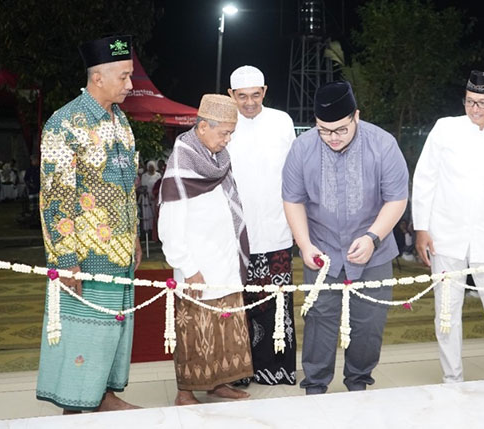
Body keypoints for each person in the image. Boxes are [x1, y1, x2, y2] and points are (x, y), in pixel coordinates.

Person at [36, 35, 142, 413]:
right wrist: (65, 259)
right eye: (125, 77)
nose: (131, 85)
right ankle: (77, 405)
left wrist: (136, 240)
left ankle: (106, 395)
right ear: (98, 77)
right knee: (85, 331)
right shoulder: (65, 123)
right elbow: (54, 197)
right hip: (85, 255)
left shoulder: (121, 120)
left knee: (113, 328)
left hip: (121, 251)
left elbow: (128, 185)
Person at [282, 81, 409, 394]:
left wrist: (372, 238)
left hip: (373, 250)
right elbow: (293, 199)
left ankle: (358, 382)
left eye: (340, 129)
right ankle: (315, 385)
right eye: (324, 130)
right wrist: (305, 243)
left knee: (369, 323)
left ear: (356, 116)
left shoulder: (383, 144)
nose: (332, 138)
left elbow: (397, 198)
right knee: (319, 320)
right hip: (321, 251)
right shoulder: (303, 147)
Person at [412, 70, 484, 383]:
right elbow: (425, 179)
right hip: (445, 235)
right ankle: (452, 377)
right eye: (469, 101)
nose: (475, 109)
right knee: (446, 311)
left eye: (483, 103)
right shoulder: (445, 128)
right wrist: (421, 228)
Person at [158, 94, 253, 405]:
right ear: (201, 127)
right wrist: (188, 268)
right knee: (195, 332)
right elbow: (169, 227)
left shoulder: (217, 160)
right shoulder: (182, 164)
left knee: (226, 329)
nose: (227, 140)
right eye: (223, 133)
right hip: (197, 266)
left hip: (224, 260)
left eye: (231, 134)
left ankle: (219, 384)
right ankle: (185, 392)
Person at [227, 65, 297, 386]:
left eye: (256, 95)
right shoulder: (224, 124)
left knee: (276, 303)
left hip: (277, 230)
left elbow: (295, 174)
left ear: (265, 92)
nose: (250, 102)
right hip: (234, 234)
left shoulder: (282, 121)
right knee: (238, 304)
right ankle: (239, 372)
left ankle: (277, 369)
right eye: (242, 96)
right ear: (231, 95)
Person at [139, 160, 161, 238]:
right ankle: (147, 230)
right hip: (146, 197)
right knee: (147, 214)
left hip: (155, 197)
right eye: (150, 167)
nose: (151, 168)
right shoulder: (144, 176)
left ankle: (155, 231)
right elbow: (142, 186)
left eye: (152, 167)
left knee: (155, 214)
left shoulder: (158, 175)